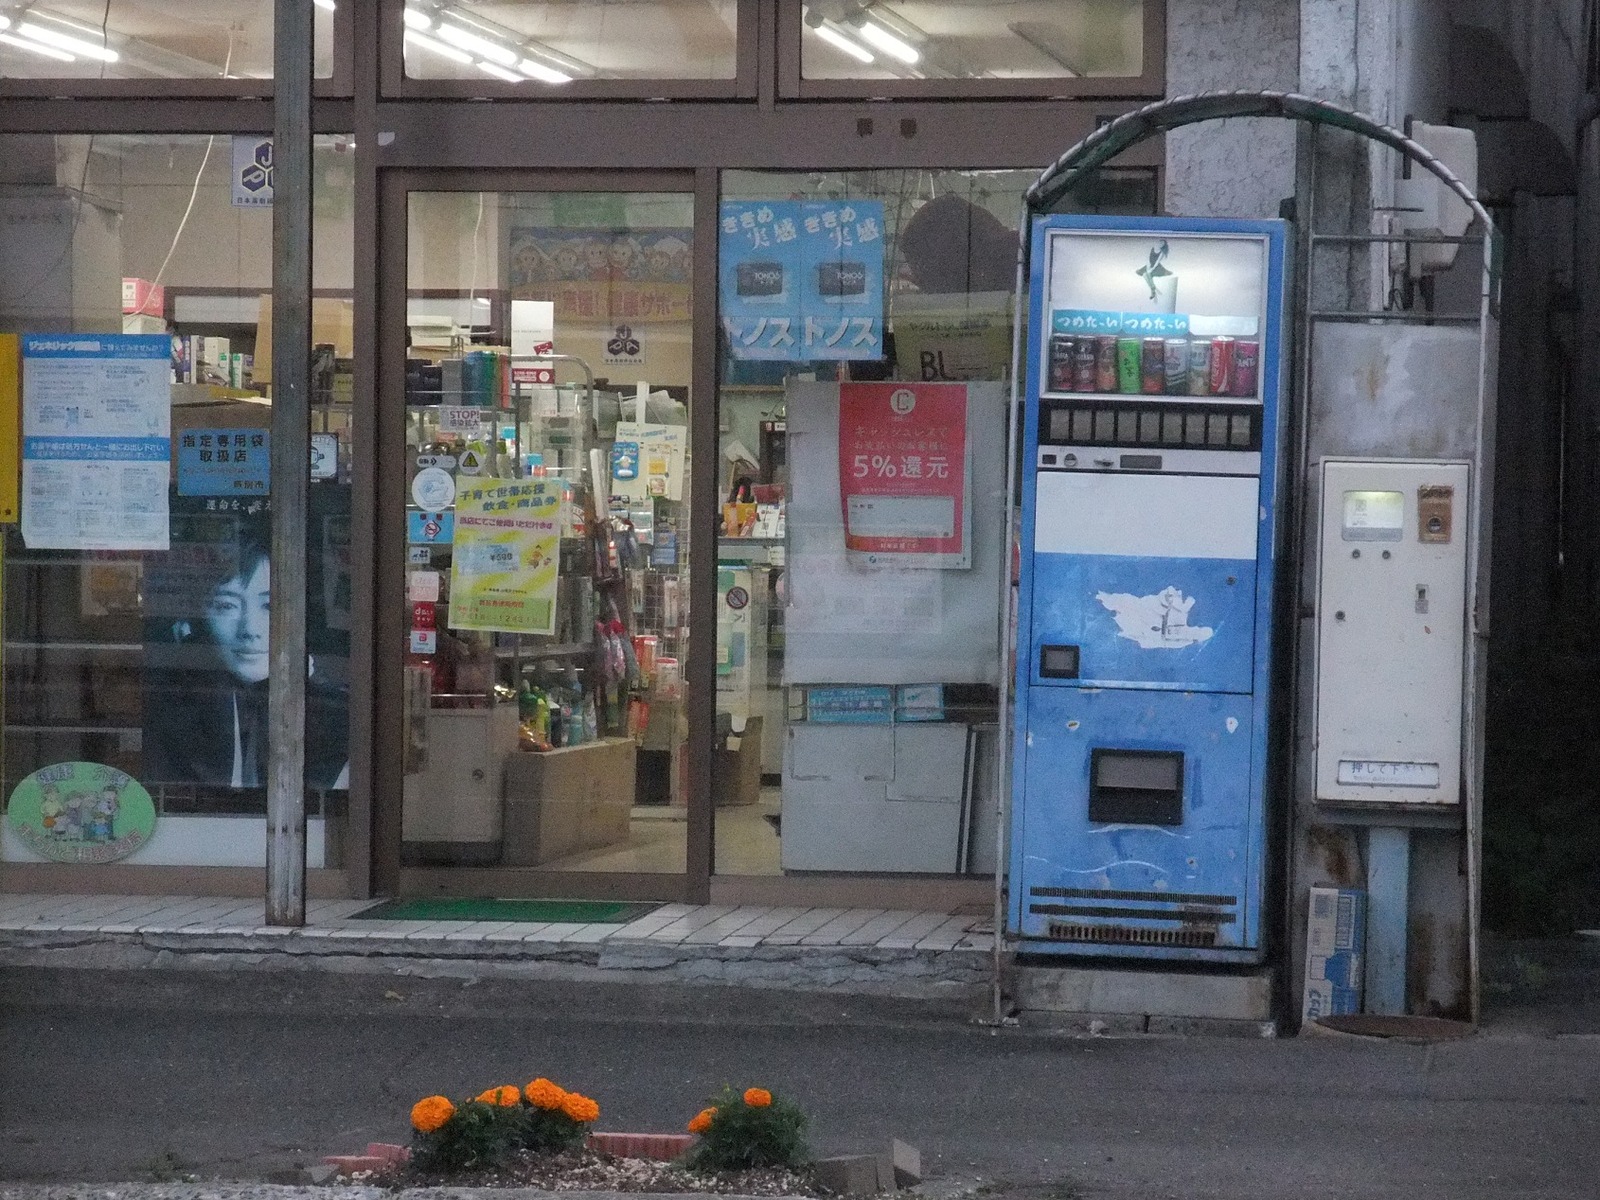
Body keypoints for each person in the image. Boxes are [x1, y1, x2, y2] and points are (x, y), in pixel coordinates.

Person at [144, 532, 350, 790]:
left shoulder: (339, 716)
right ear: (194, 619)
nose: (250, 629)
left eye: (270, 606)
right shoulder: (168, 707)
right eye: (227, 606)